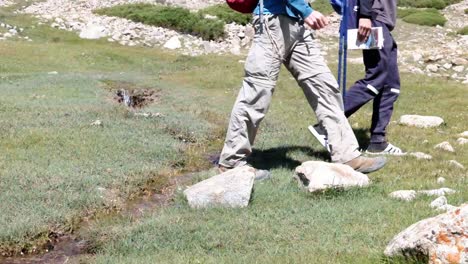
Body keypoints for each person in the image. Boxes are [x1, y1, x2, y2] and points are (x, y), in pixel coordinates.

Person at [217, 0, 387, 176]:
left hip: (298, 27)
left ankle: (348, 156)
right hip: (272, 23)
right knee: (256, 93)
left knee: (325, 87)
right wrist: (306, 11)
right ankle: (232, 162)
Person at [311, 0, 404, 155]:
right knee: (375, 78)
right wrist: (365, 16)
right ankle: (326, 125)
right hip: (374, 21)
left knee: (391, 85)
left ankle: (377, 142)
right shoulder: (370, 17)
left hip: (380, 22)